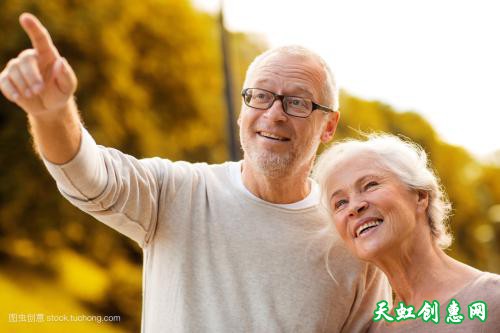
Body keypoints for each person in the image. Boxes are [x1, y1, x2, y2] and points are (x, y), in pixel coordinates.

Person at [0, 13, 391, 333]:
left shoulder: (354, 242)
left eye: (298, 102)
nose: (274, 114)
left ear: (328, 126)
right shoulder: (177, 192)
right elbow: (88, 174)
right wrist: (52, 113)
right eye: (260, 96)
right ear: (242, 109)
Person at [313, 134, 500, 332]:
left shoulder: (492, 299)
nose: (354, 207)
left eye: (370, 185)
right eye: (340, 203)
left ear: (420, 195)